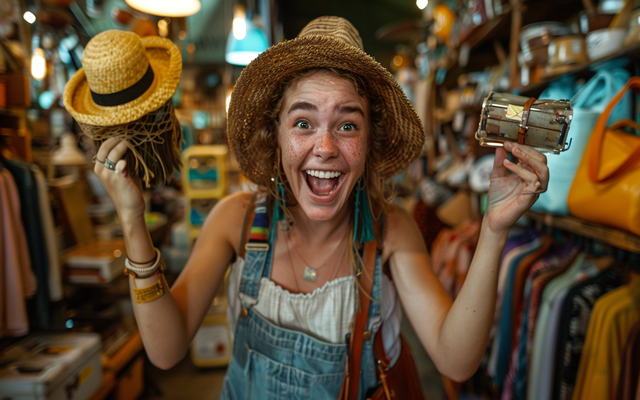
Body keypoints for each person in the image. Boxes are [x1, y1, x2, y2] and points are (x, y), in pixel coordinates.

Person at [92, 16, 549, 399]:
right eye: (304, 122)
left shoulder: (391, 231)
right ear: (276, 135)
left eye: (347, 124)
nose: (325, 148)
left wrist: (492, 230)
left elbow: (456, 360)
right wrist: (133, 221)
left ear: (369, 143)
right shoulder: (237, 220)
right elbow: (167, 350)